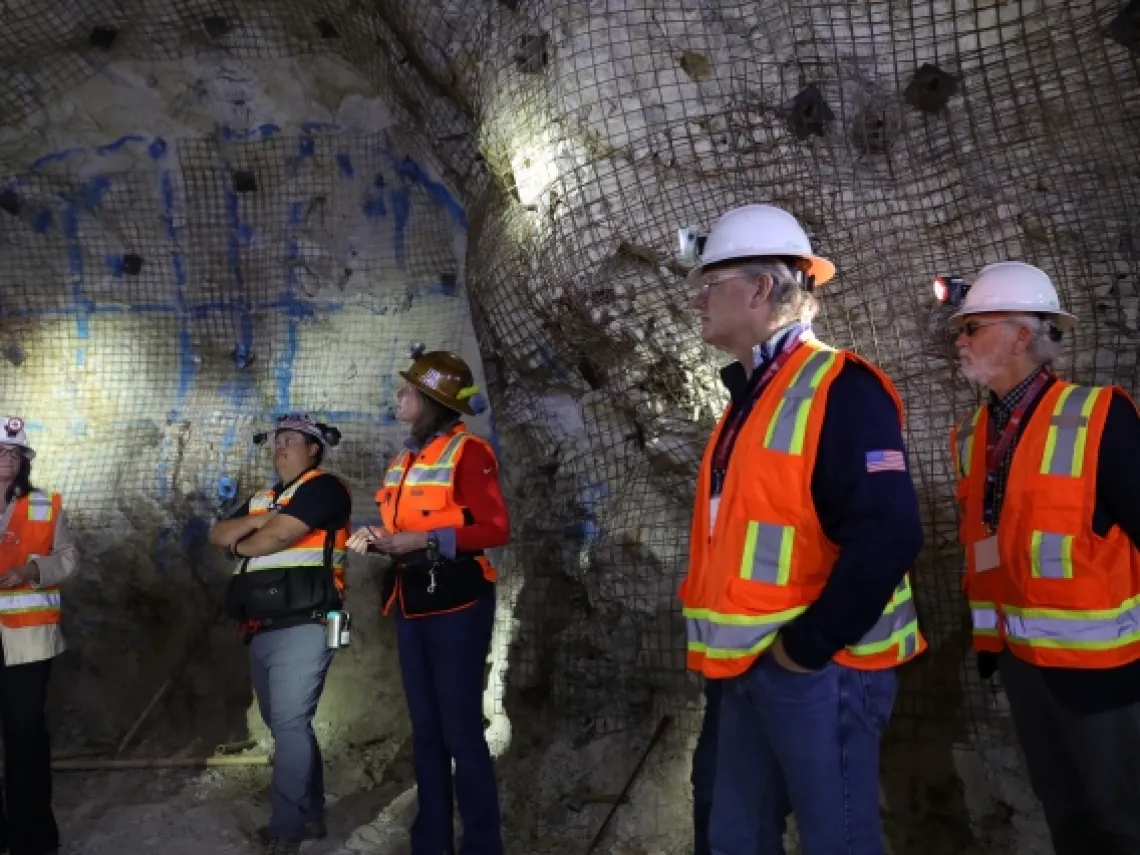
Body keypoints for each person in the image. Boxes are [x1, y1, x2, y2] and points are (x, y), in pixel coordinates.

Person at [677, 204, 926, 855]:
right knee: (736, 835)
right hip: (755, 663)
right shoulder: (754, 397)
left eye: (711, 282)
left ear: (761, 288)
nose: (697, 298)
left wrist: (806, 647)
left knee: (837, 840)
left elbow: (891, 531)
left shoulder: (840, 387)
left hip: (822, 669)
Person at [946, 261, 1140, 855]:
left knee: (1122, 823)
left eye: (973, 327)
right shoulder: (973, 433)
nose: (960, 339)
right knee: (1067, 816)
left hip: (1100, 673)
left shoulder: (1099, 416)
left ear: (1020, 336)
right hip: (1020, 663)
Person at [347, 349, 508, 855]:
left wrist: (422, 542)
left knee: (461, 733)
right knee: (427, 735)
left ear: (433, 400)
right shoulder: (405, 459)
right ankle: (431, 842)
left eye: (408, 390)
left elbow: (494, 528)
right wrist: (378, 536)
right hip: (413, 602)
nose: (400, 396)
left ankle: (482, 846)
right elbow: (404, 527)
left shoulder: (470, 452)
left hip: (458, 603)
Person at [208, 412, 352, 855]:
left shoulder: (324, 488)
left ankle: (287, 829)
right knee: (284, 723)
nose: (280, 447)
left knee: (289, 723)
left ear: (313, 448)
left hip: (310, 621)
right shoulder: (262, 497)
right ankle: (309, 815)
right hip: (265, 626)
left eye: (290, 439)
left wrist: (251, 536)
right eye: (276, 441)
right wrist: (256, 524)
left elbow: (277, 538)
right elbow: (217, 533)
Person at [0, 416, 78, 855]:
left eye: (15, 452)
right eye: (0, 451)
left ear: (25, 461)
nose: (7, 458)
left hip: (28, 641)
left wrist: (33, 569)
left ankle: (32, 836)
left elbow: (69, 559)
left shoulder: (46, 506)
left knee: (25, 735)